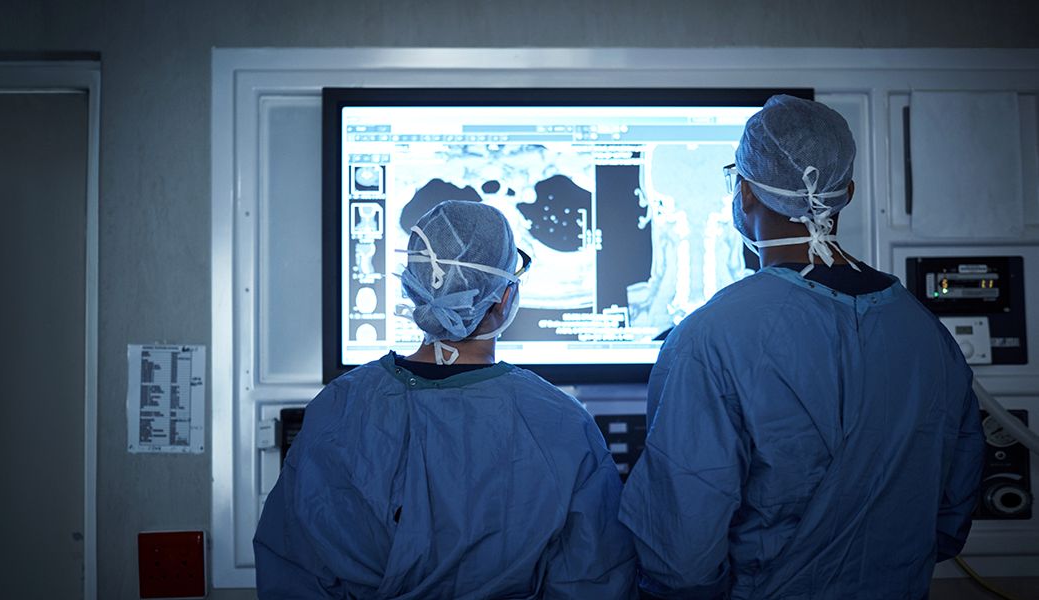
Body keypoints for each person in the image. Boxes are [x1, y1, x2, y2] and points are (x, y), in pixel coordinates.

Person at [619, 95, 985, 599]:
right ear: (848, 192)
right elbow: (950, 517)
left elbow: (682, 554)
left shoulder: (711, 338)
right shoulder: (925, 332)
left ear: (743, 192)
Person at [255, 200, 637, 599]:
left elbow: (292, 570)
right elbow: (594, 580)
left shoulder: (339, 407)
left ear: (412, 287)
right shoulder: (560, 424)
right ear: (504, 297)